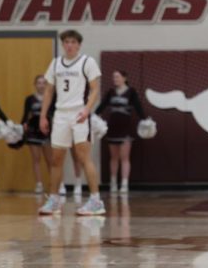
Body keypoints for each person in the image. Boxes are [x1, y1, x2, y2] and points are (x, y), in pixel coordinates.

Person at [38, 29, 104, 216]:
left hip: (79, 113)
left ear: (79, 44)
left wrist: (86, 109)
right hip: (60, 114)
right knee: (56, 159)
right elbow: (49, 91)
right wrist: (43, 115)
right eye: (66, 42)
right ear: (62, 44)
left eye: (73, 42)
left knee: (83, 157)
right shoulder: (56, 63)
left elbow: (95, 90)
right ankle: (54, 200)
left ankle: (95, 200)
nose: (69, 45)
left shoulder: (87, 62)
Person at [95, 69, 146, 195]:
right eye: (113, 77)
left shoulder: (131, 92)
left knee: (124, 158)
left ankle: (124, 184)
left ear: (124, 78)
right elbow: (101, 106)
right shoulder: (111, 92)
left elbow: (139, 107)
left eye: (117, 77)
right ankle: (113, 183)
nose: (115, 79)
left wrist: (146, 119)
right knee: (114, 158)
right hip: (113, 128)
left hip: (125, 128)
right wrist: (93, 116)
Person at [22, 74, 54, 194]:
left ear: (46, 85)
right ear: (35, 85)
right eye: (39, 83)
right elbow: (25, 115)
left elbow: (54, 113)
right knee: (36, 159)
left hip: (46, 130)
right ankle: (39, 184)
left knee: (50, 160)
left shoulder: (51, 97)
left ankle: (53, 184)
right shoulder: (29, 99)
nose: (41, 85)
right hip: (33, 131)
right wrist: (23, 124)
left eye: (43, 83)